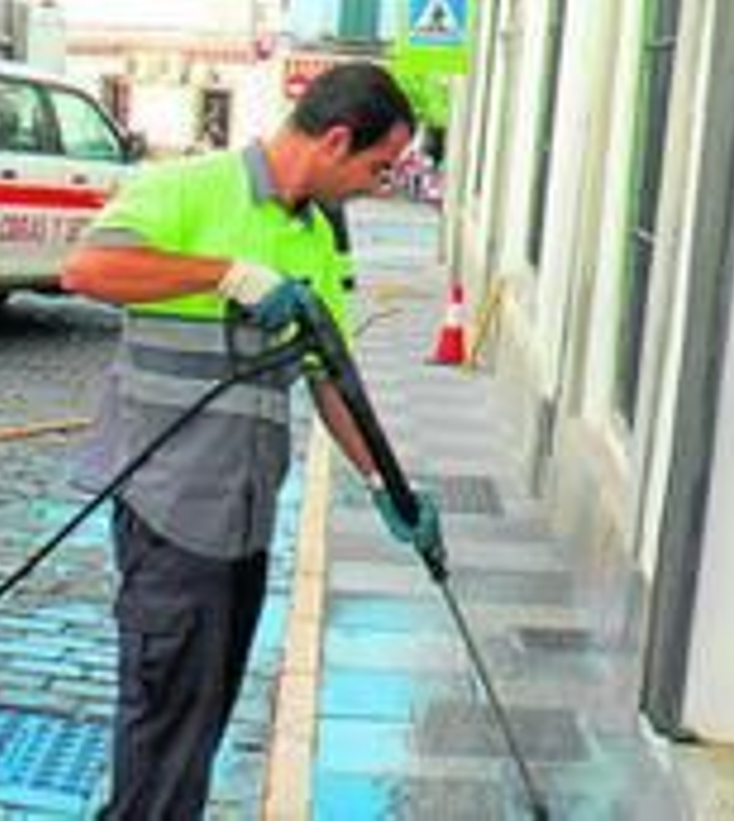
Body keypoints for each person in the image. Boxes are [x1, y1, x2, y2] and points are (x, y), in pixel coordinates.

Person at [62, 63, 446, 819]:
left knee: (195, 731)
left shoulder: (316, 238)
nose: (378, 184)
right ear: (336, 139)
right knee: (163, 733)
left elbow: (329, 373)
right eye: (376, 167)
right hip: (168, 510)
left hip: (244, 524)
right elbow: (86, 268)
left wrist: (386, 487)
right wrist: (228, 274)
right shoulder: (189, 188)